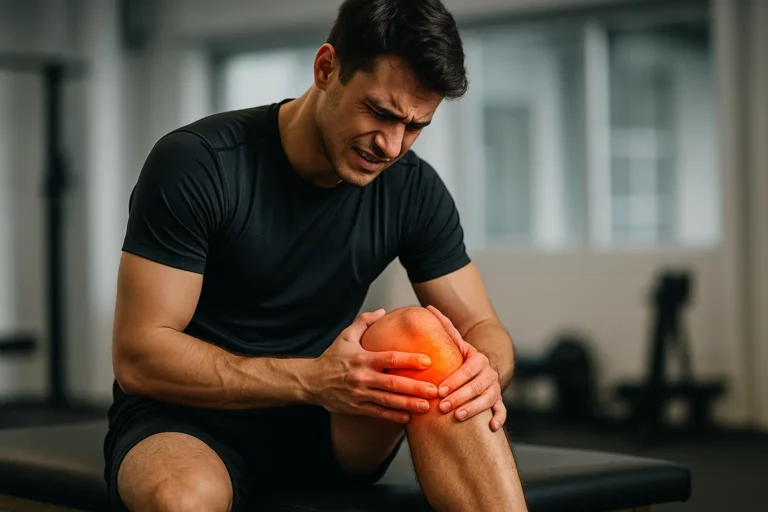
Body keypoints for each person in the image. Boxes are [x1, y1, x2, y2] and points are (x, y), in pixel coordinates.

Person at [105, 0, 528, 510]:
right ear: (326, 68)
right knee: (182, 498)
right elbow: (139, 355)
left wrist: (484, 370)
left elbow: (485, 328)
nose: (392, 145)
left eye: (415, 126)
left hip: (334, 419)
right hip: (189, 417)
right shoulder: (198, 163)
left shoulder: (411, 187)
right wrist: (311, 380)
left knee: (418, 336)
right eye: (380, 112)